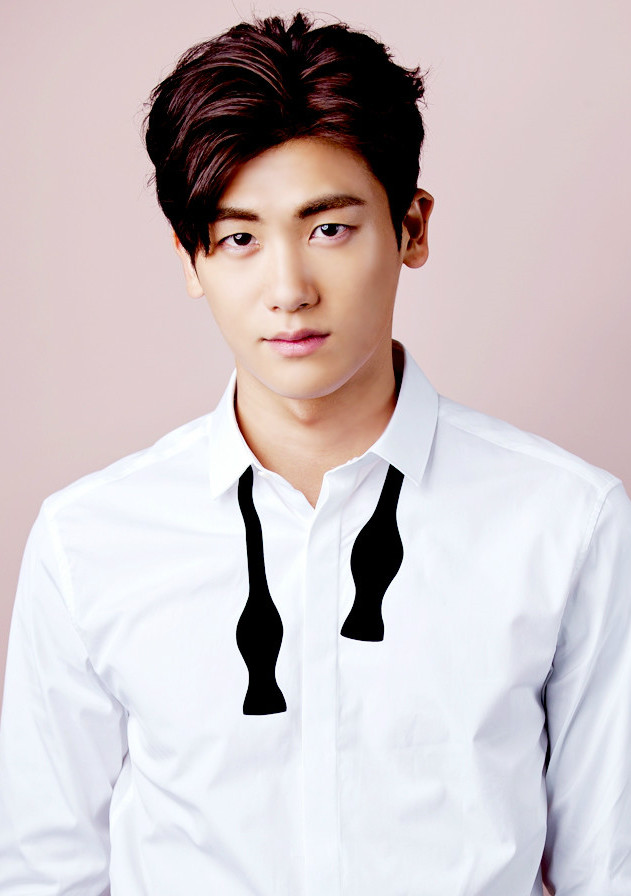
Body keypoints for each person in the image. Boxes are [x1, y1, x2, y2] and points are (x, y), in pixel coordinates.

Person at [0, 11, 629, 895]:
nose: (288, 289)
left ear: (411, 228)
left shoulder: (567, 523)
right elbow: (44, 872)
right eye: (239, 238)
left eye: (328, 229)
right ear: (189, 259)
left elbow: (609, 867)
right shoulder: (88, 541)